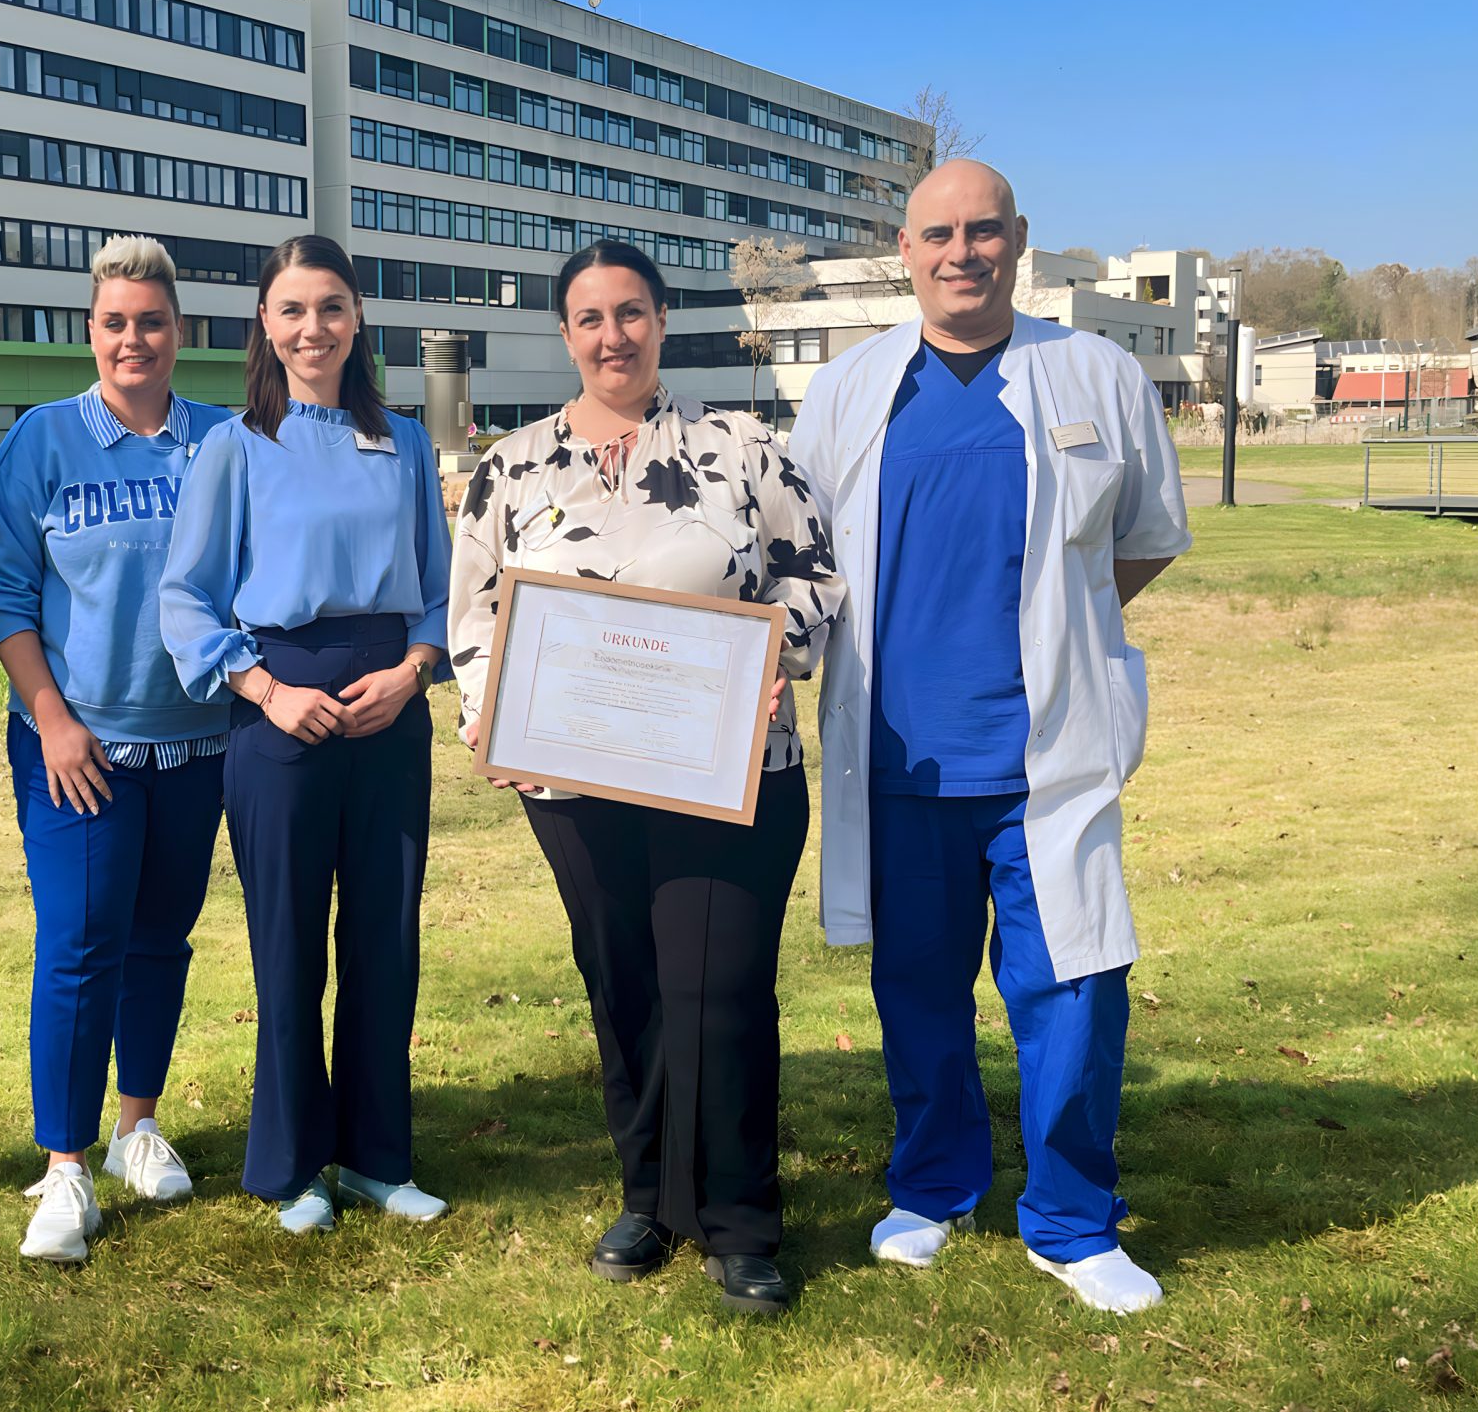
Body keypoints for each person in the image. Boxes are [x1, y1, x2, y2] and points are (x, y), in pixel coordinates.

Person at [788, 159, 1190, 1314]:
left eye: (981, 231)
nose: (959, 253)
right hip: (900, 760)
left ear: (1017, 238)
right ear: (904, 252)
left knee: (1073, 989)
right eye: (937, 235)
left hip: (1045, 757)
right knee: (918, 990)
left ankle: (1071, 1220)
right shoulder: (849, 390)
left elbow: (1144, 539)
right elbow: (803, 557)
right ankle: (933, 1186)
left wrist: (1058, 624)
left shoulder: (1096, 374)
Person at [447, 240, 846, 1316]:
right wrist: (491, 713)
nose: (612, 335)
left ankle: (740, 1219)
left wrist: (773, 658)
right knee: (622, 982)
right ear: (564, 334)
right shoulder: (512, 465)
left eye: (631, 312)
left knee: (718, 989)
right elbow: (475, 611)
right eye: (590, 317)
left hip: (729, 768)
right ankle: (649, 1197)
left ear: (662, 321)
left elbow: (814, 577)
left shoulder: (740, 447)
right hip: (574, 779)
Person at [158, 234, 452, 1234]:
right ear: (265, 324)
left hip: (388, 709)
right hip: (279, 712)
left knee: (385, 937)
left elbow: (440, 588)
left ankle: (376, 1157)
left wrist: (413, 673)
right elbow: (186, 597)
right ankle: (291, 1167)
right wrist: (265, 689)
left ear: (358, 318)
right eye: (292, 309)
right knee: (287, 944)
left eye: (331, 306)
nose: (312, 327)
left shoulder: (404, 443)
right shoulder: (234, 447)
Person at [0, 237, 234, 1262]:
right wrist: (51, 717)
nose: (134, 339)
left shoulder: (222, 440)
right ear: (91, 330)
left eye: (152, 322)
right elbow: (2, 593)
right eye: (116, 322)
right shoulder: (43, 441)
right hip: (78, 748)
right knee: (79, 947)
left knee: (161, 940)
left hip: (197, 743)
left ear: (179, 332)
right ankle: (66, 1165)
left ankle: (136, 1126)